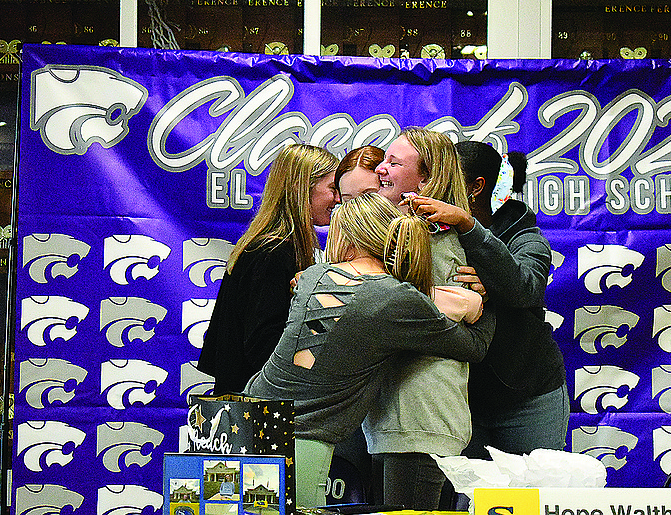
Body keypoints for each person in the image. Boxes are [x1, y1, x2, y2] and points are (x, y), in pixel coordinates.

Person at [244, 192, 494, 507]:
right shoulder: (396, 299)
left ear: (345, 238)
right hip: (303, 440)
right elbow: (472, 345)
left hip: (250, 418)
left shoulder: (312, 277)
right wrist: (486, 299)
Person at [405, 141, 568, 463]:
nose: (429, 186)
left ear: (476, 186)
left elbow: (525, 288)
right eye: (426, 177)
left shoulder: (525, 237)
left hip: (528, 395)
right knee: (463, 502)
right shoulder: (420, 231)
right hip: (457, 396)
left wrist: (468, 225)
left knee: (534, 492)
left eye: (443, 176)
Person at [364, 126, 475, 510]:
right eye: (384, 160)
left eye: (394, 162)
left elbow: (419, 312)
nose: (381, 169)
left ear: (426, 178)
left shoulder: (436, 239)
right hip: (402, 421)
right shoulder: (404, 235)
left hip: (419, 420)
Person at [196, 143, 339, 395]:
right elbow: (263, 344)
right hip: (257, 408)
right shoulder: (273, 251)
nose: (338, 199)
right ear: (302, 188)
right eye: (332, 188)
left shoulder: (274, 245)